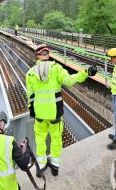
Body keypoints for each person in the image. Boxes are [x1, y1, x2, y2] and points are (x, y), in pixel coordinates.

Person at [26, 44, 97, 177]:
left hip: (40, 113)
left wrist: (31, 109)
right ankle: (55, 165)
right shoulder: (56, 69)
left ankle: (41, 165)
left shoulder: (30, 72)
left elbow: (30, 95)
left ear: (37, 56)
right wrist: (86, 73)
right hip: (55, 113)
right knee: (56, 137)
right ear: (48, 54)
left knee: (40, 138)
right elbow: (70, 80)